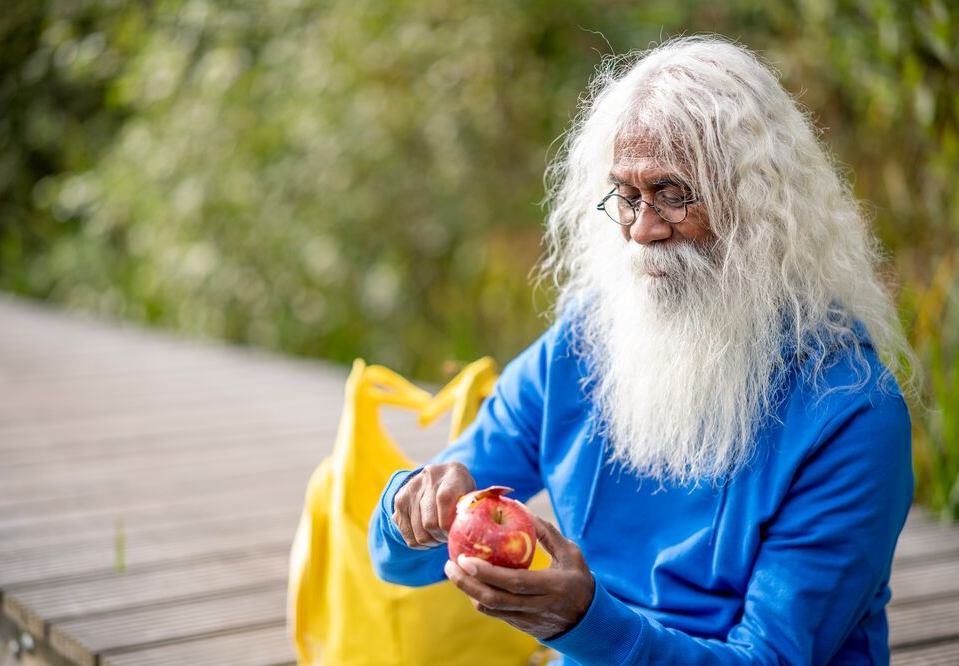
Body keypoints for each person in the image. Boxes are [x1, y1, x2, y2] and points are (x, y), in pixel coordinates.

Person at [369, 35, 914, 665]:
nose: (642, 230)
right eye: (626, 196)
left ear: (759, 204)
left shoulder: (851, 413)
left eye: (674, 194)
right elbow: (398, 565)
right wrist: (410, 505)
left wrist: (583, 622)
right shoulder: (581, 345)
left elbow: (770, 660)